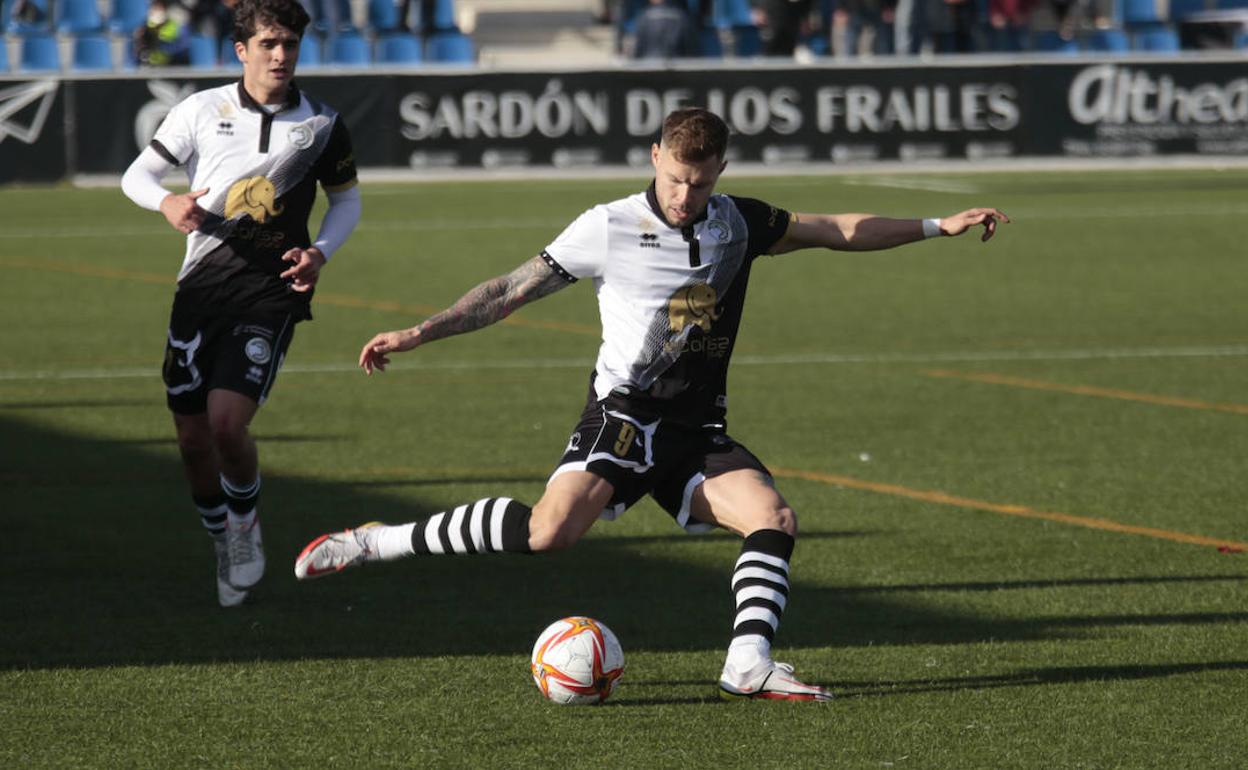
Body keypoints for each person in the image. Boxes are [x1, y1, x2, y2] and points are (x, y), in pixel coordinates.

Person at [294, 108, 1007, 700]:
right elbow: (508, 290)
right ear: (654, 156)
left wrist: (933, 226)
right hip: (625, 415)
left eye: (697, 184)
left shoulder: (739, 224)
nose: (683, 197)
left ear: (719, 171)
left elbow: (834, 230)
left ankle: (747, 662)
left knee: (772, 518)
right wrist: (420, 333)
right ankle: (374, 540)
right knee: (549, 535)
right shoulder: (606, 225)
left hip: (696, 426)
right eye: (673, 179)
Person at [120, 0, 361, 608]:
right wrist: (167, 204)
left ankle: (245, 528)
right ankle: (221, 535)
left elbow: (347, 201)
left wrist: (320, 253)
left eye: (289, 45)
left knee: (228, 426)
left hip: (270, 293)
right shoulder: (202, 110)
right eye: (269, 44)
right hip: (200, 290)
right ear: (242, 50)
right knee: (192, 439)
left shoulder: (323, 125)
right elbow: (137, 177)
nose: (280, 55)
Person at [631, 0, 701, 59]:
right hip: (676, 69)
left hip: (649, 68)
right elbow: (691, 50)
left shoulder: (644, 18)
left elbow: (638, 50)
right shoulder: (682, 17)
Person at [133, 0, 192, 67]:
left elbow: (184, 44)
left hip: (172, 65)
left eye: (159, 8)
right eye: (153, 8)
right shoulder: (143, 25)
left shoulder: (176, 24)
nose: (154, 11)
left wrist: (161, 45)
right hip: (149, 66)